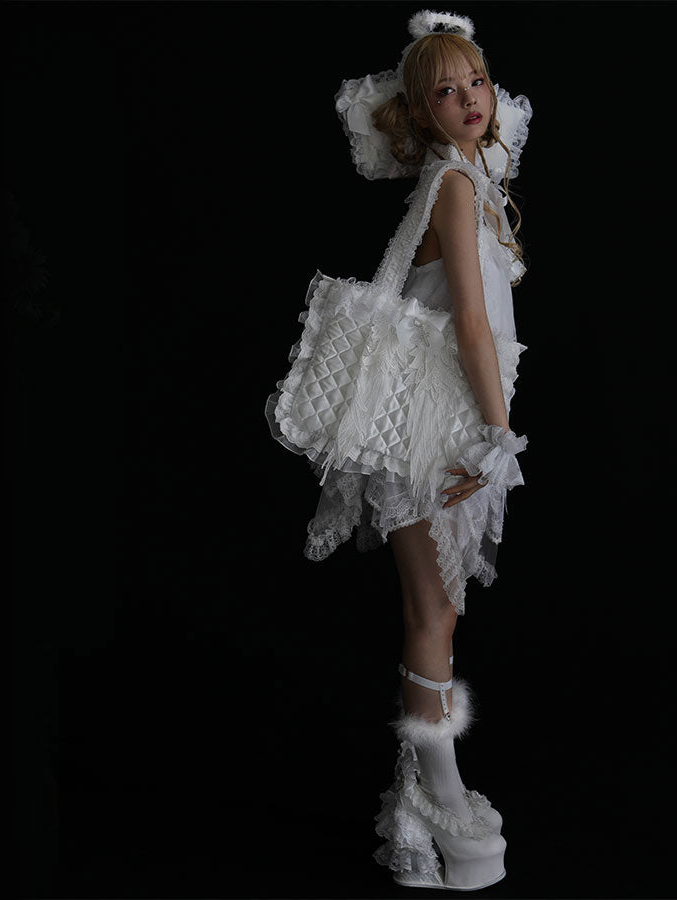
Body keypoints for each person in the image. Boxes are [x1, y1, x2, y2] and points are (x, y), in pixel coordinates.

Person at [265, 9, 532, 891]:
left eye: (477, 82)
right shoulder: (452, 183)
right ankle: (445, 803)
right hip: (431, 424)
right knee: (433, 614)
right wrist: (497, 433)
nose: (469, 100)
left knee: (438, 612)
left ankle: (417, 827)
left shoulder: (472, 180)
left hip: (446, 421)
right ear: (421, 112)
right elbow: (471, 327)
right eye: (446, 92)